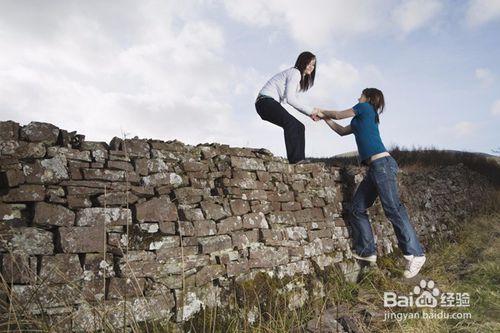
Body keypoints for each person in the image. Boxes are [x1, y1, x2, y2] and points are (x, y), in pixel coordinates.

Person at [313, 88, 426, 279]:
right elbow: (341, 131)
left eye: (361, 95)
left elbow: (340, 114)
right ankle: (367, 252)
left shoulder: (365, 108)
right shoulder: (359, 120)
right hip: (374, 169)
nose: (358, 97)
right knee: (357, 208)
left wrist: (321, 110)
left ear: (368, 97)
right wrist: (325, 119)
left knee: (393, 209)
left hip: (382, 164)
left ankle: (416, 254)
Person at [255, 51, 320, 164]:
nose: (311, 67)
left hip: (266, 103)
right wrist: (310, 112)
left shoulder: (298, 79)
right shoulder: (295, 73)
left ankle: (300, 160)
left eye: (313, 64)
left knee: (299, 127)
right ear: (302, 62)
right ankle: (296, 160)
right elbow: (290, 99)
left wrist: (310, 114)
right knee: (292, 124)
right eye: (308, 63)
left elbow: (295, 100)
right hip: (265, 102)